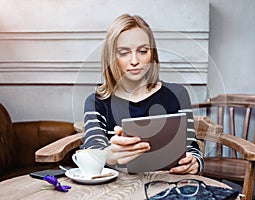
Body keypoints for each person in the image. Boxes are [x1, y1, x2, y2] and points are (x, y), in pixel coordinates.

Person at [82, 14, 204, 175]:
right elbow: (92, 149)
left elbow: (190, 147)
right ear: (111, 57)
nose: (134, 60)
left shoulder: (178, 94)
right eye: (124, 52)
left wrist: (194, 163)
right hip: (117, 189)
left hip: (168, 184)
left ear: (152, 54)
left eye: (142, 51)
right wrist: (111, 155)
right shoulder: (97, 101)